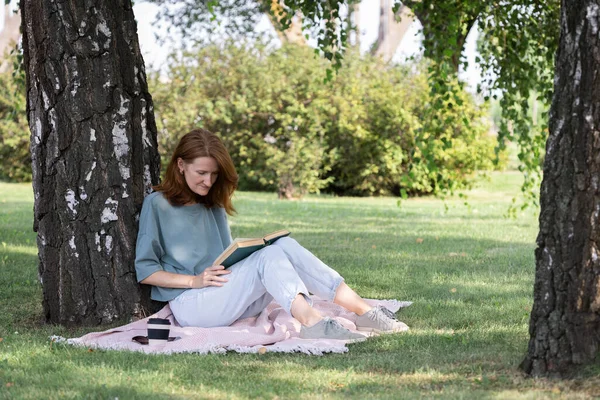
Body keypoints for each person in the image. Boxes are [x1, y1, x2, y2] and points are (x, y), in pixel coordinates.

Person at [135, 128, 408, 341]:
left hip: (229, 299)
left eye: (214, 174)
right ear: (180, 165)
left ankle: (363, 311)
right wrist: (195, 281)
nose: (208, 181)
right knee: (270, 256)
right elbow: (145, 270)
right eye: (201, 173)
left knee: (282, 244)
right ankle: (313, 323)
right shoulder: (157, 204)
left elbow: (224, 257)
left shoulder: (213, 204)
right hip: (193, 305)